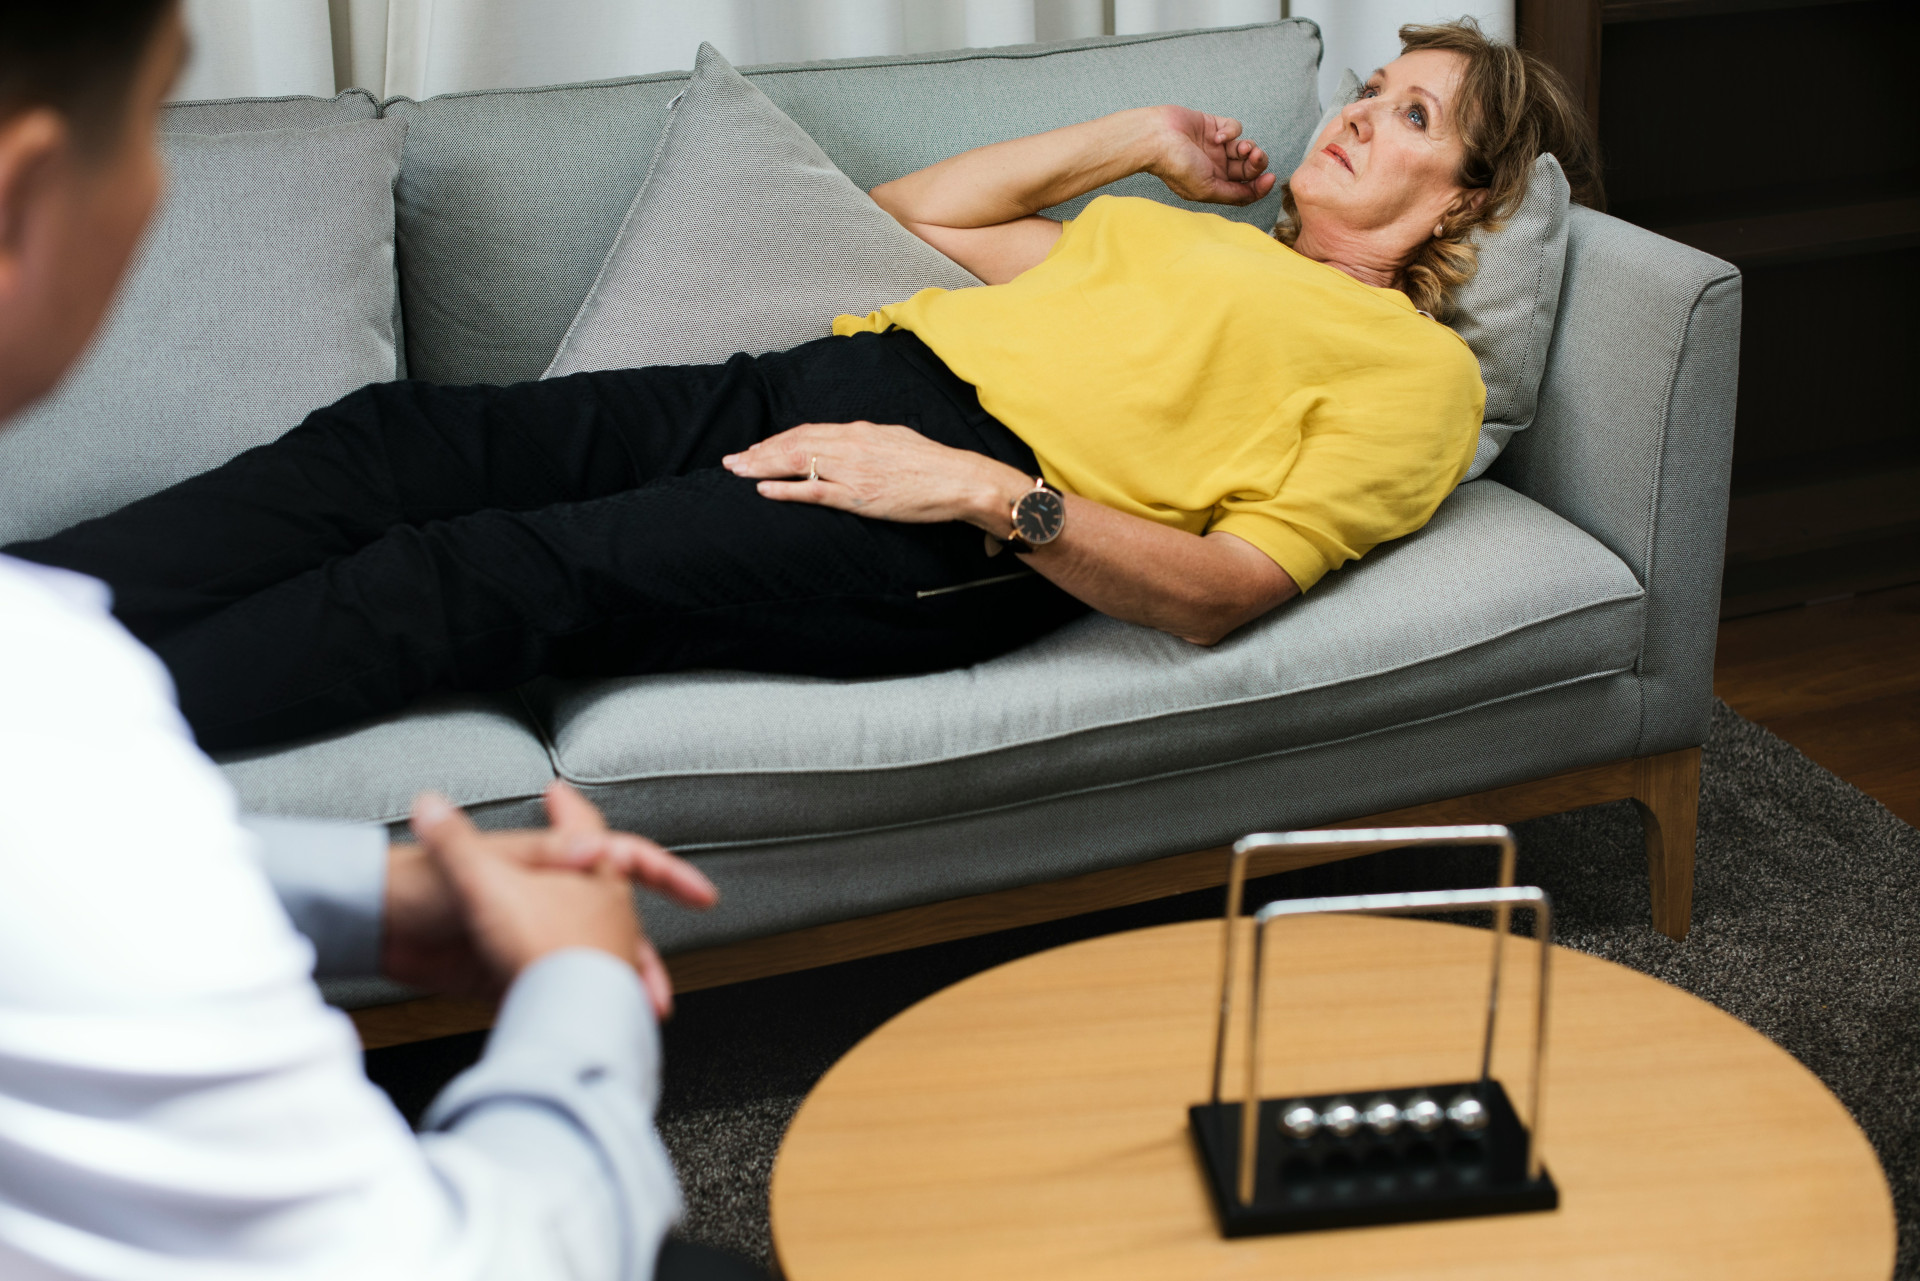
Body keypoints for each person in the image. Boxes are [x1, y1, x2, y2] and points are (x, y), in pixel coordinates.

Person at [7, 21, 1601, 758]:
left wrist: (986, 494)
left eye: (1412, 117)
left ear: (1466, 200)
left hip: (953, 516)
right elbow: (916, 216)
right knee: (391, 441)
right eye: (1373, 90)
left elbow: (1226, 592)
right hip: (833, 381)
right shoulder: (1181, 240)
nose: (1360, 117)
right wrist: (1135, 139)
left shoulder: (1413, 379)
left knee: (471, 578)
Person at [0, 4, 767, 1278]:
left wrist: (359, 895)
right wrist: (579, 989)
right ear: (23, 202)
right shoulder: (52, 697)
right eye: (145, 129)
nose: (155, 190)